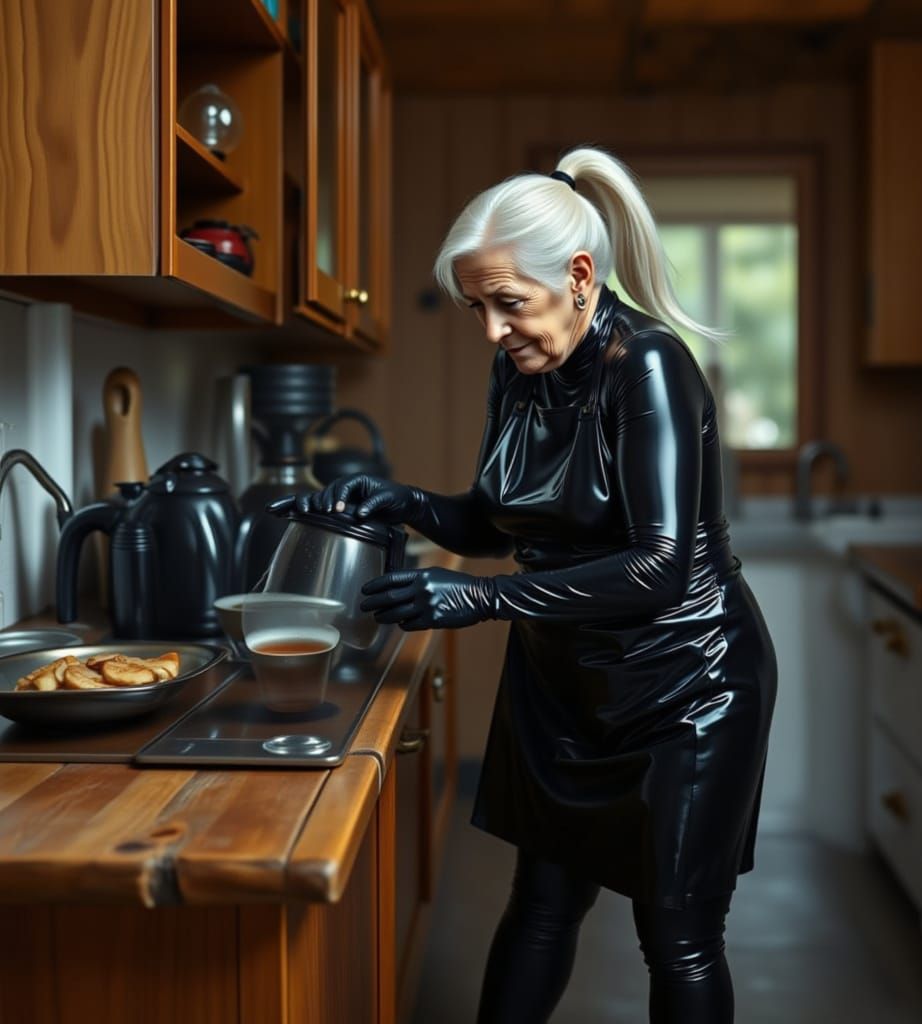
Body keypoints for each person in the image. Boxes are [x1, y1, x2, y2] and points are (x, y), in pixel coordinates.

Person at [283, 147, 777, 1024]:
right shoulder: (518, 369)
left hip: (686, 686)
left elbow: (658, 565)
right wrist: (407, 504)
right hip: (563, 686)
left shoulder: (648, 368)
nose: (491, 330)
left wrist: (480, 599)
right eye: (478, 307)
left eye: (507, 304)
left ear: (580, 277)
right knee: (542, 904)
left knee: (679, 939)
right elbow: (497, 518)